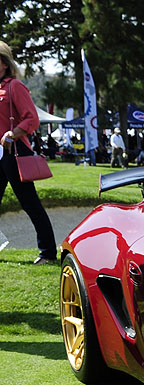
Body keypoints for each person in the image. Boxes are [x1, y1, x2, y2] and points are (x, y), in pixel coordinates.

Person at [0, 41, 57, 265]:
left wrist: (12, 134)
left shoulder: (15, 86)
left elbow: (32, 118)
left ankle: (48, 253)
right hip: (0, 153)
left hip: (14, 150)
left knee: (29, 202)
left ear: (4, 63)